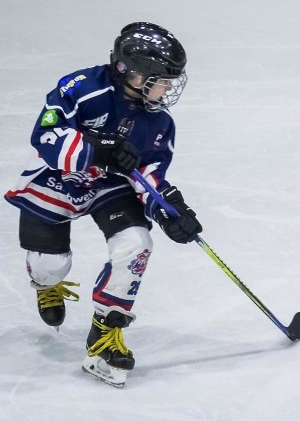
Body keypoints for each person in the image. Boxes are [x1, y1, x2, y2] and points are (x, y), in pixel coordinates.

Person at [4, 22, 202, 387]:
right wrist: (97, 147)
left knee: (136, 245)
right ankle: (46, 282)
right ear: (134, 73)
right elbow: (45, 135)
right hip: (60, 178)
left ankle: (103, 338)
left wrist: (168, 208)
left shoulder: (159, 121)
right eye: (163, 79)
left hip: (110, 187)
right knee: (50, 266)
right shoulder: (81, 88)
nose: (169, 87)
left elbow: (150, 171)